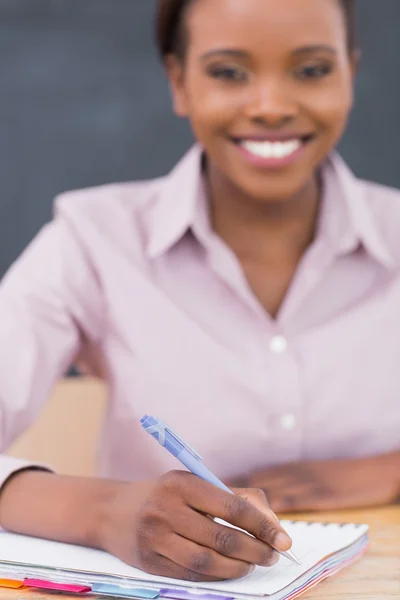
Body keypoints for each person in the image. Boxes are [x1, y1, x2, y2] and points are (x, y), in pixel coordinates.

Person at [0, 0, 399, 583]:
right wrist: (104, 511)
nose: (271, 106)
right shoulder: (92, 242)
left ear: (350, 76)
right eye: (228, 72)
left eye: (312, 69)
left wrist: (392, 470)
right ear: (178, 82)